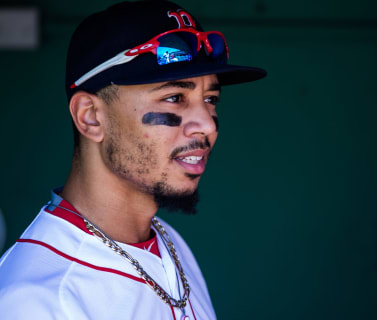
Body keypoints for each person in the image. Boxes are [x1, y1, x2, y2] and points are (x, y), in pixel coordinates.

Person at [0, 1, 266, 319]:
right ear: (91, 117)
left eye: (210, 100)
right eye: (174, 98)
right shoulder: (37, 301)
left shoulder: (170, 242)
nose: (208, 124)